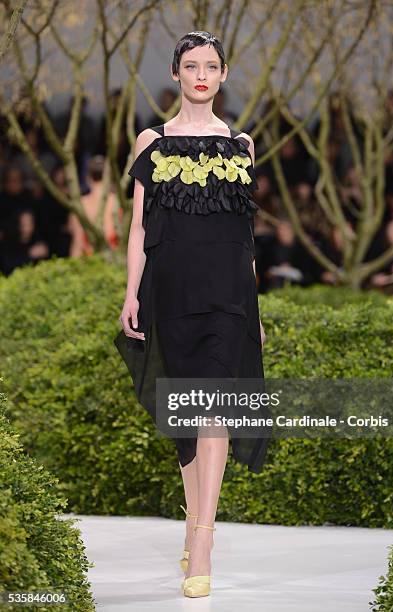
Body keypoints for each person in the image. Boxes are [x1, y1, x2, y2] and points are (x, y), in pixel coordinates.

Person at [113, 31, 271, 598]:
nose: (201, 75)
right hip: (171, 291)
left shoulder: (241, 146)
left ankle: (203, 540)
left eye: (211, 66)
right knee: (186, 417)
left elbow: (245, 235)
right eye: (190, 66)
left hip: (228, 294)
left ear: (224, 76)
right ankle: (193, 521)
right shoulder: (150, 142)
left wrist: (253, 305)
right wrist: (131, 293)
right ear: (177, 75)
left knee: (213, 408)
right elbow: (137, 228)